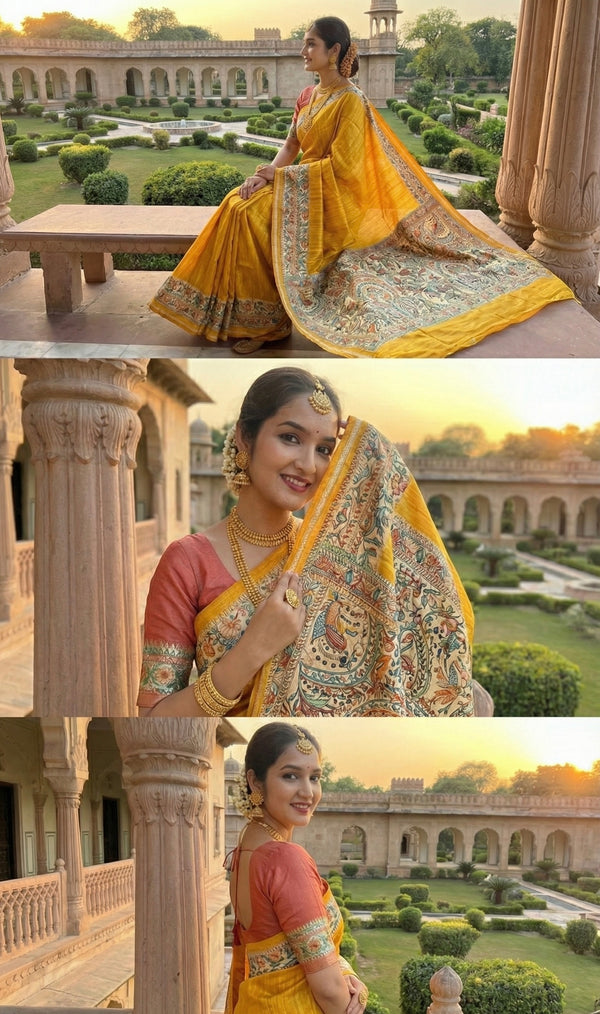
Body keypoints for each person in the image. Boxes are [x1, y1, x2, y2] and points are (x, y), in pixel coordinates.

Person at [148, 16, 573, 358]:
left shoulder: (351, 101)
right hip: (303, 186)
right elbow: (293, 144)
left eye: (311, 44)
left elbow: (347, 169)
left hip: (334, 197)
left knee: (252, 216)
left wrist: (282, 178)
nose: (304, 51)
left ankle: (270, 324)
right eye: (304, 43)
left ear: (335, 51)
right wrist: (265, 173)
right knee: (236, 203)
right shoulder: (308, 95)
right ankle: (228, 311)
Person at [137, 366, 476, 717]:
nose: (308, 465)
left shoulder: (337, 546)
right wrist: (253, 649)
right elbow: (152, 718)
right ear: (244, 437)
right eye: (290, 438)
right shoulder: (187, 562)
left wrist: (370, 448)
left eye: (325, 449)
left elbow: (428, 628)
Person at [225, 722, 369, 1013]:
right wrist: (359, 996)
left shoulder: (245, 850)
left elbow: (294, 949)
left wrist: (345, 972)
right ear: (255, 782)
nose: (308, 792)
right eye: (291, 776)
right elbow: (329, 992)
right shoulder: (285, 858)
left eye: (315, 777)